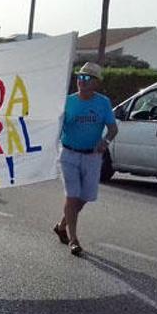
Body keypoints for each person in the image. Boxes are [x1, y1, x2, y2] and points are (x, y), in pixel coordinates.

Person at [52, 62, 118, 256]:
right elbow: (54, 127)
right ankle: (73, 239)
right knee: (72, 196)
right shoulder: (68, 102)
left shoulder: (103, 103)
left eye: (88, 78)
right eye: (80, 77)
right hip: (69, 154)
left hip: (92, 156)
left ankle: (61, 225)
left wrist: (105, 142)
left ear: (96, 83)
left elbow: (113, 129)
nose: (82, 81)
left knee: (84, 198)